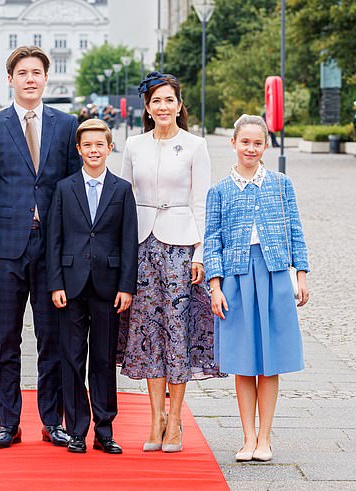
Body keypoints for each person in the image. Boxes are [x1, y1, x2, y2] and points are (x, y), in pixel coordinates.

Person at [0, 46, 81, 449]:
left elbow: (74, 193)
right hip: (5, 249)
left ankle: (51, 420)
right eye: (23, 72)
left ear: (46, 78)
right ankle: (8, 422)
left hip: (52, 250)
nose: (30, 79)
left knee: (51, 337)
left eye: (37, 72)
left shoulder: (66, 124)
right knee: (5, 338)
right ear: (11, 79)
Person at [117, 72, 222, 453]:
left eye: (169, 100)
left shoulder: (195, 146)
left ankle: (176, 420)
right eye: (156, 101)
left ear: (179, 105)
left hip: (180, 247)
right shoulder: (133, 145)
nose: (163, 107)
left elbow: (202, 203)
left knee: (177, 332)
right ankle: (155, 418)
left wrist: (200, 253)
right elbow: (123, 200)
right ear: (147, 107)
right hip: (142, 246)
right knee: (147, 334)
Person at [204, 114, 309, 463]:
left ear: (266, 145)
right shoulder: (218, 191)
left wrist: (301, 274)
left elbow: (295, 229)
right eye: (245, 142)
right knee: (243, 362)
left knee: (271, 360)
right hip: (235, 278)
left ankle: (265, 438)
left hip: (275, 274)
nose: (251, 148)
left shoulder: (282, 184)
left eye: (258, 143)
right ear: (233, 143)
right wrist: (215, 287)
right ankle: (247, 437)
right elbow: (212, 240)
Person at [47, 119, 138, 454]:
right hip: (70, 286)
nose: (94, 150)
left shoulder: (122, 190)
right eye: (88, 145)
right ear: (79, 150)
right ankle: (76, 430)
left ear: (110, 148)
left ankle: (104, 429)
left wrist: (126, 286)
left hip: (108, 286)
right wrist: (55, 283)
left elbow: (129, 241)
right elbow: (53, 239)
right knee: (72, 359)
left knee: (102, 359)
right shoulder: (64, 188)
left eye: (100, 145)